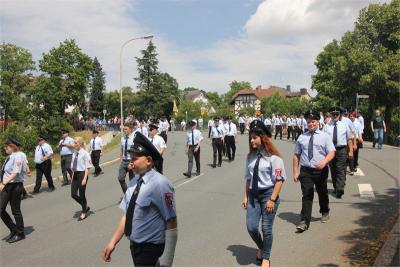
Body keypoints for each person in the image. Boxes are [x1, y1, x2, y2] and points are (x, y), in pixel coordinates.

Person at [102, 132, 177, 267]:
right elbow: (127, 215)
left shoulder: (160, 184)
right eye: (131, 158)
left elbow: (171, 222)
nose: (131, 162)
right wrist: (112, 242)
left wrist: (167, 260)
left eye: (135, 158)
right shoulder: (134, 182)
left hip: (152, 248)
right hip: (135, 246)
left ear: (148, 160)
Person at [241, 120, 285, 267]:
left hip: (268, 195)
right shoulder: (250, 157)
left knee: (266, 228)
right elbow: (248, 179)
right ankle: (261, 246)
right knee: (251, 227)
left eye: (254, 137)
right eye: (251, 138)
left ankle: (266, 257)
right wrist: (246, 196)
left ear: (263, 138)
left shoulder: (274, 158)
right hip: (253, 195)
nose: (252, 140)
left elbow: (279, 180)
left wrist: (272, 199)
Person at [293, 110, 335, 232]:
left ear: (318, 122)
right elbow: (296, 155)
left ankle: (325, 211)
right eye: (309, 122)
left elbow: (332, 152)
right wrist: (296, 172)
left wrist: (324, 161)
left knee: (322, 192)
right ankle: (304, 220)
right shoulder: (301, 137)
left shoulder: (325, 137)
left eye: (313, 121)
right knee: (307, 194)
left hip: (320, 171)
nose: (311, 124)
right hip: (305, 171)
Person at [324, 107, 354, 199]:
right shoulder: (327, 126)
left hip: (342, 149)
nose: (335, 116)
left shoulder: (344, 125)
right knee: (333, 169)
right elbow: (323, 140)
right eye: (333, 114)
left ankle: (340, 189)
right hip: (331, 150)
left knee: (340, 169)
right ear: (331, 115)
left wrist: (351, 151)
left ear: (340, 115)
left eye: (337, 114)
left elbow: (349, 139)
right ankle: (336, 187)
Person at [0, 138, 26, 243]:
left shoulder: (19, 155)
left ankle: (20, 233)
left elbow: (15, 172)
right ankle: (13, 229)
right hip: (7, 186)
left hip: (15, 186)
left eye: (7, 146)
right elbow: (4, 173)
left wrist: (4, 183)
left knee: (15, 210)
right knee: (0, 210)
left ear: (13, 146)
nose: (5, 148)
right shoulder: (9, 157)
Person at [70, 137, 93, 221]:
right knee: (73, 194)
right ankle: (85, 205)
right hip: (75, 174)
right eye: (74, 143)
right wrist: (72, 176)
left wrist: (84, 178)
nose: (74, 144)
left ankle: (84, 212)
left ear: (79, 143)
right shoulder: (74, 153)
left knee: (82, 194)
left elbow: (87, 167)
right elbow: (73, 166)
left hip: (82, 174)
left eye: (75, 143)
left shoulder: (85, 153)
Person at [118, 123, 135, 194]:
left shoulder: (134, 139)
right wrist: (121, 156)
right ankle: (127, 194)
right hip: (124, 161)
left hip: (131, 160)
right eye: (123, 129)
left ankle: (134, 195)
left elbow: (135, 151)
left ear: (130, 130)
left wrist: (132, 162)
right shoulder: (122, 138)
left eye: (126, 129)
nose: (124, 130)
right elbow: (122, 148)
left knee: (132, 180)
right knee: (120, 178)